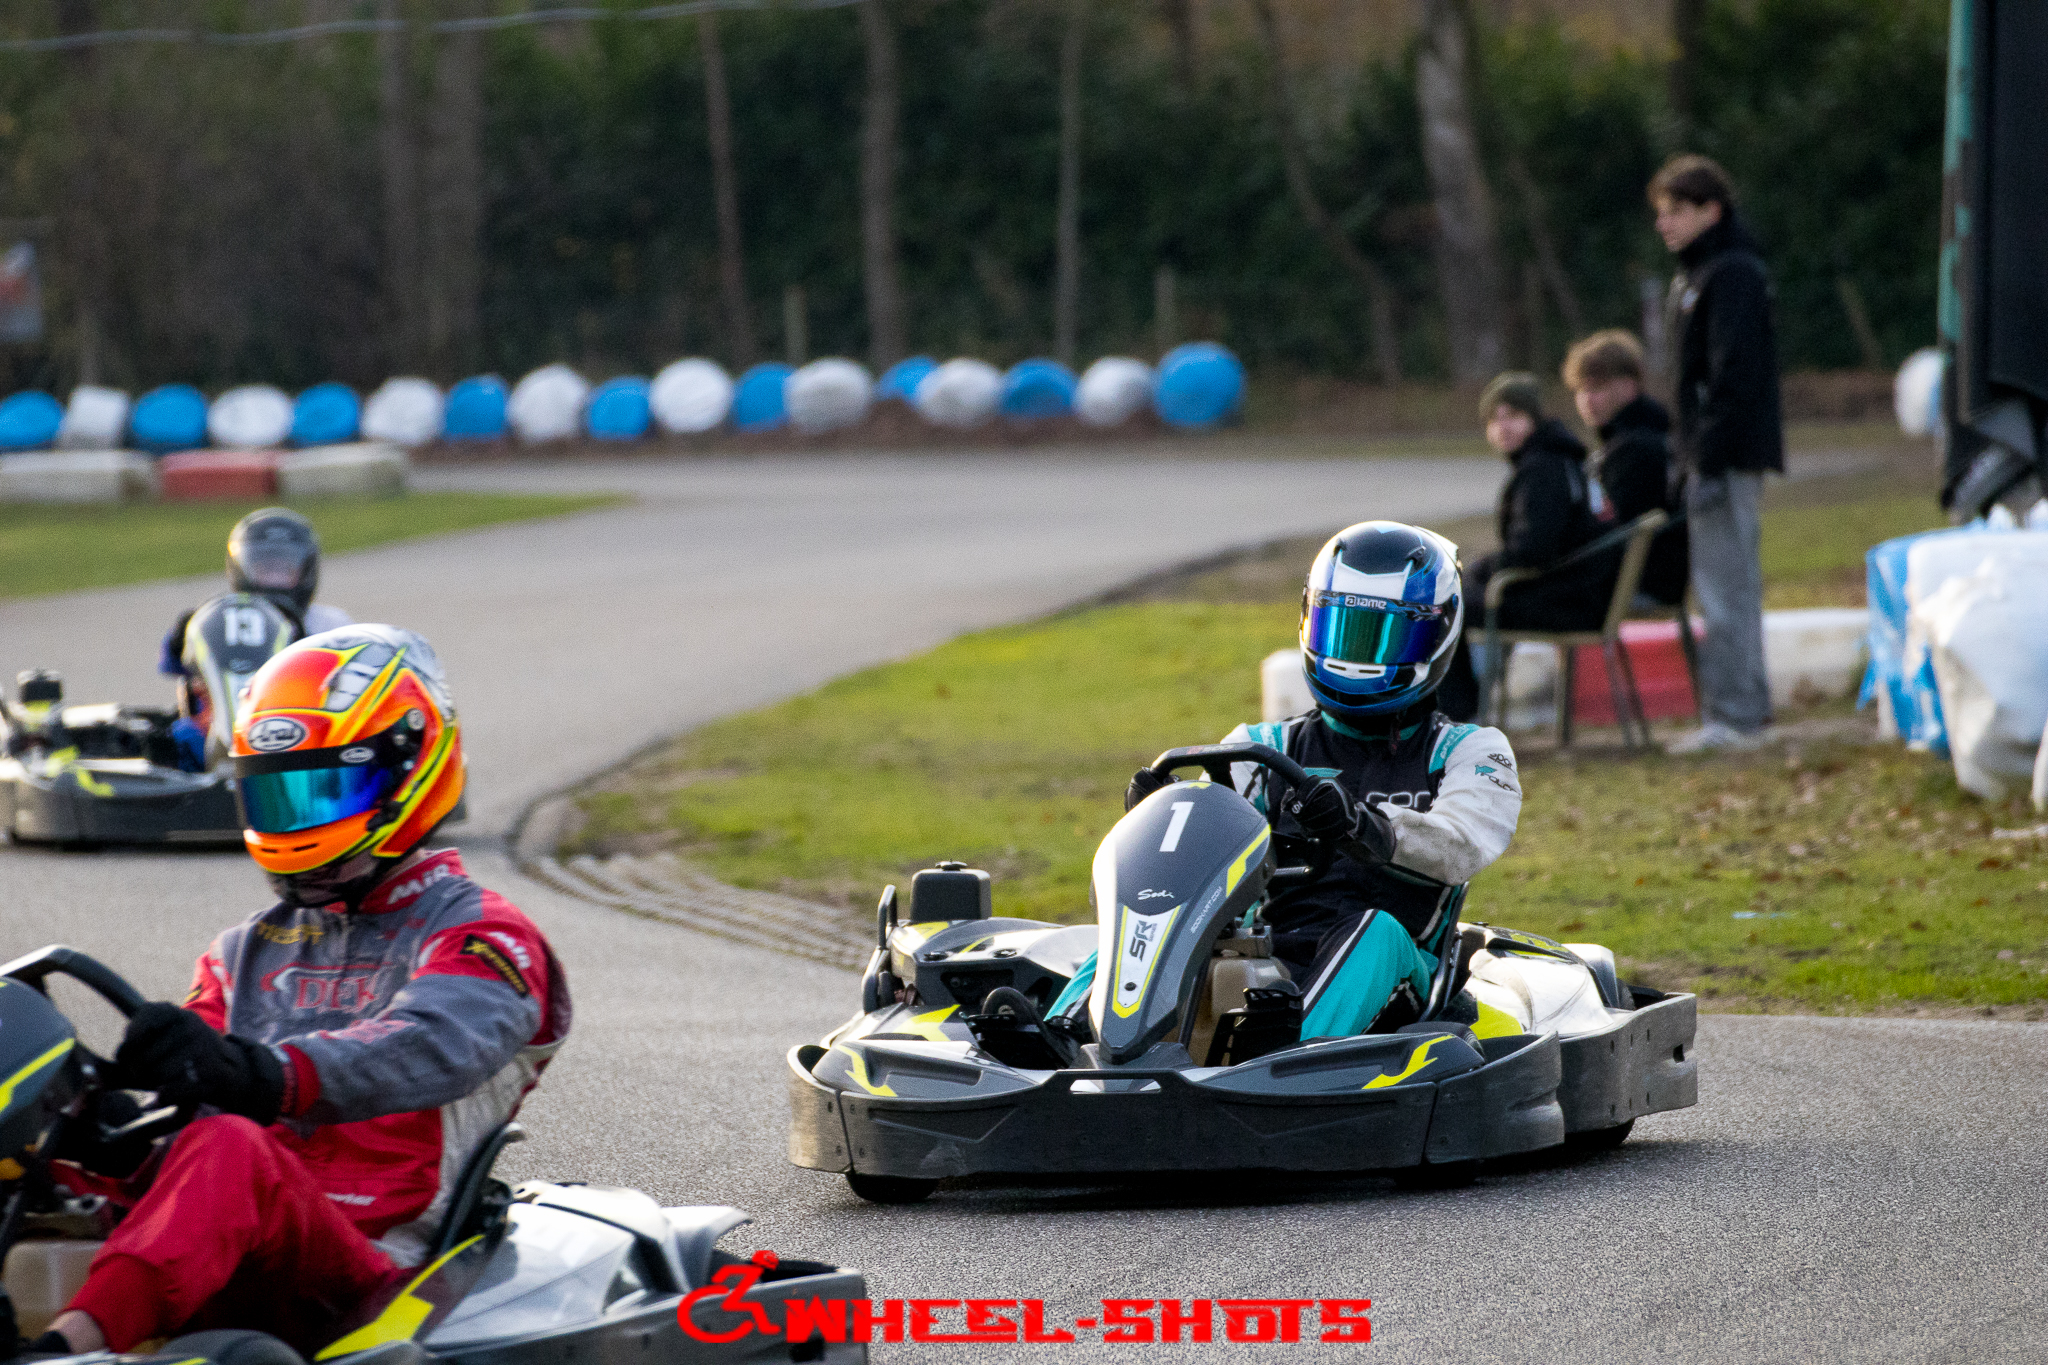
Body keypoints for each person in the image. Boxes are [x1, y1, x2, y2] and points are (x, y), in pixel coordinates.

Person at [42, 624, 571, 1355]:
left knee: (233, 1148)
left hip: (368, 1274)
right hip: (226, 1231)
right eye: (279, 796)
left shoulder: (483, 932)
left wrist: (267, 1074)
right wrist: (103, 1107)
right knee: (36, 1167)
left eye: (324, 791)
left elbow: (431, 1045)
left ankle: (66, 1348)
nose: (299, 821)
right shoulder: (244, 950)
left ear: (408, 770)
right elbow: (196, 1083)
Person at [1123, 522, 1521, 1038]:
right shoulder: (1262, 744)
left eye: (1380, 637)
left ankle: (1292, 1056)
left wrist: (1364, 825)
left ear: (1436, 634)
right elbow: (1202, 859)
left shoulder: (1469, 750)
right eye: (1343, 631)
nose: (1357, 658)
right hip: (1265, 956)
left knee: (1375, 932)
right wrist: (1161, 822)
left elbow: (1461, 845)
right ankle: (1065, 1036)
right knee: (1149, 923)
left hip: (1401, 971)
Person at [1650, 154, 1783, 753]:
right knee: (1724, 586)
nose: (1665, 223)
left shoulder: (1732, 275)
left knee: (1727, 589)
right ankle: (1743, 710)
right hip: (1706, 455)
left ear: (1712, 211)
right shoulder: (1696, 276)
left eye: (1677, 210)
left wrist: (1704, 457)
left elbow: (1732, 378)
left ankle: (1735, 717)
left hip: (1724, 458)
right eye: (1661, 212)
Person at [1434, 373, 1607, 722]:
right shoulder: (1553, 458)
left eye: (1513, 416)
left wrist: (1479, 569)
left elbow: (1533, 550)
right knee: (1456, 597)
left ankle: (1458, 719)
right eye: (1494, 420)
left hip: (1569, 600)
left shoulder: (1543, 468)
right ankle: (1463, 712)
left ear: (1534, 418)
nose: (1503, 427)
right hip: (1576, 590)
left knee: (1441, 608)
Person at [159, 509, 354, 769]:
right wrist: (185, 634)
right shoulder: (217, 618)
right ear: (241, 568)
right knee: (179, 736)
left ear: (306, 572)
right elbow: (171, 665)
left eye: (283, 570)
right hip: (217, 732)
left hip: (299, 729)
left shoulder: (331, 625)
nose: (274, 579)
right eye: (265, 569)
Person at [1562, 329, 1688, 607]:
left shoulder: (1638, 449)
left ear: (1629, 386)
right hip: (1638, 581)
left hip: (1638, 585)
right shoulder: (1638, 437)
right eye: (1580, 390)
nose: (1587, 400)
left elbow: (1618, 531)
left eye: (1597, 388)